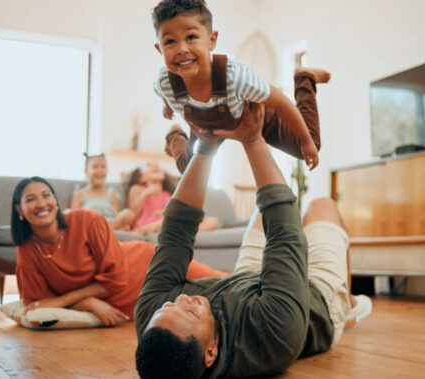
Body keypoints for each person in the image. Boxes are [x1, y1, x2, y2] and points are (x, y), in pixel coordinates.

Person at [134, 103, 372, 378]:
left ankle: (350, 303)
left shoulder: (156, 323)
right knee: (321, 206)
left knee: (261, 212)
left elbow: (176, 231)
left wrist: (206, 148)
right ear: (211, 352)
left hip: (246, 283)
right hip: (316, 304)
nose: (183, 299)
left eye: (170, 305)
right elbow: (286, 232)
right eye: (190, 313)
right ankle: (345, 305)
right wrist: (251, 138)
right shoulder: (274, 333)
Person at [11, 176, 227, 327]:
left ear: (55, 201)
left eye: (46, 195)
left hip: (142, 264)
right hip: (124, 302)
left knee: (220, 283)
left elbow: (114, 278)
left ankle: (257, 285)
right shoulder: (27, 248)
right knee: (202, 305)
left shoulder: (86, 219)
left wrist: (63, 301)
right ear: (19, 210)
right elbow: (37, 299)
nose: (41, 204)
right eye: (30, 199)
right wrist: (89, 303)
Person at [152, 0, 329, 174]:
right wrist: (167, 107)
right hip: (205, 123)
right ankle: (175, 133)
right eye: (170, 42)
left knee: (309, 145)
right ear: (160, 49)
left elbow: (281, 103)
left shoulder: (234, 76)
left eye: (191, 37)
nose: (182, 49)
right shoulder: (165, 82)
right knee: (186, 168)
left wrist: (305, 141)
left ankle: (304, 78)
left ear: (211, 40)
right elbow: (163, 93)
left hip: (251, 114)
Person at [126, 160, 218, 235]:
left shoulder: (167, 193)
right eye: (148, 165)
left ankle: (180, 233)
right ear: (141, 177)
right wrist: (145, 194)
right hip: (147, 225)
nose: (155, 166)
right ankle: (143, 231)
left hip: (168, 223)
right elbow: (132, 214)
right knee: (166, 221)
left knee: (213, 221)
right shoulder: (137, 189)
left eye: (156, 164)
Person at [69, 153, 136, 230]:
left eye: (103, 167)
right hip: (91, 227)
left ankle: (105, 231)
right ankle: (104, 231)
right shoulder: (79, 194)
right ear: (86, 171)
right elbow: (74, 220)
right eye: (95, 167)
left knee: (128, 214)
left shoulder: (112, 194)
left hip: (112, 225)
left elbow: (118, 217)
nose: (99, 170)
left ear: (107, 171)